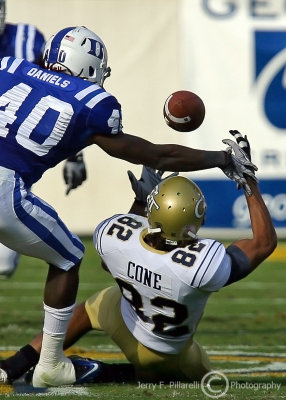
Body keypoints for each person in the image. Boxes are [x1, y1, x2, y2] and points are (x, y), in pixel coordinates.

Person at [0, 132, 276, 385]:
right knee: (199, 375)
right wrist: (247, 179)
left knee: (93, 306)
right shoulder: (204, 262)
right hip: (164, 351)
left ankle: (19, 363)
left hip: (123, 318)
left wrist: (141, 202)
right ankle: (109, 374)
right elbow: (263, 243)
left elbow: (112, 260)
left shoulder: (114, 234)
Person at [0, 1, 86, 278]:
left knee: (3, 265)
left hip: (12, 157)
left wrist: (75, 154)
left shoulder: (26, 39)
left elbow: (58, 94)